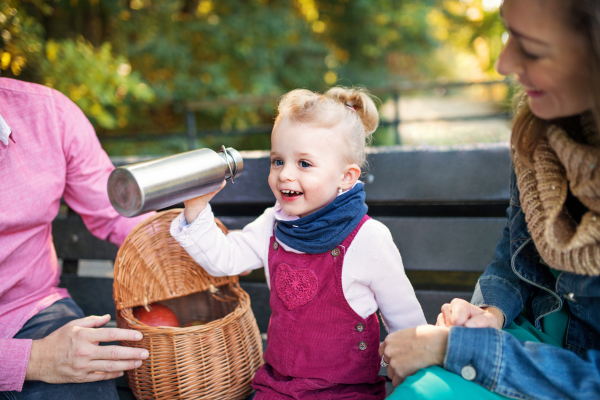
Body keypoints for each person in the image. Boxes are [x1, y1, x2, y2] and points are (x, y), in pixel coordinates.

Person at [379, 0, 600, 399]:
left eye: (530, 48)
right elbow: (516, 255)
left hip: (569, 375)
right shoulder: (539, 140)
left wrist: (457, 348)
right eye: (507, 33)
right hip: (529, 338)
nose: (503, 63)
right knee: (418, 393)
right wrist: (490, 314)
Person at [170, 87, 426, 399]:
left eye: (304, 164)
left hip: (345, 391)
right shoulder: (272, 224)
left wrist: (411, 381)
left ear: (346, 176)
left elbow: (406, 323)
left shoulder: (369, 238)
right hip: (278, 386)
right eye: (277, 161)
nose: (284, 175)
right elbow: (225, 258)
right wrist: (196, 210)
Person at [0, 77, 151, 399]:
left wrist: (193, 240)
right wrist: (35, 359)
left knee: (85, 388)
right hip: (36, 348)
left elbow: (114, 210)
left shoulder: (47, 112)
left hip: (26, 311)